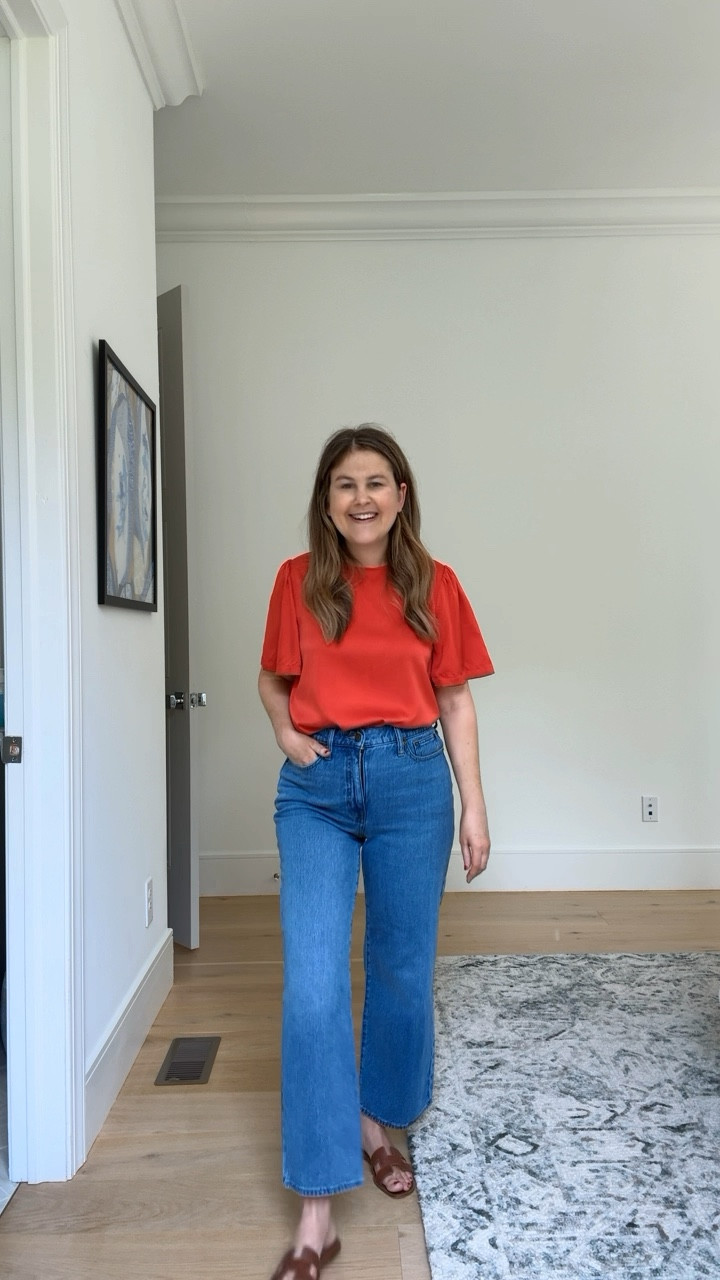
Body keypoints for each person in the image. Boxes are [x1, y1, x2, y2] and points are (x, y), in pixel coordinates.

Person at [258, 424, 494, 1280]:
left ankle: (375, 1122)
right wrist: (287, 734)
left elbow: (456, 700)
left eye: (378, 482)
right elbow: (272, 678)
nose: (362, 497)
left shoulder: (435, 584)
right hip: (317, 789)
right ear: (327, 499)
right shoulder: (298, 582)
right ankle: (317, 1213)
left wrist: (474, 806)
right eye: (346, 483)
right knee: (313, 983)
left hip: (411, 782)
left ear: (401, 496)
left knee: (401, 965)